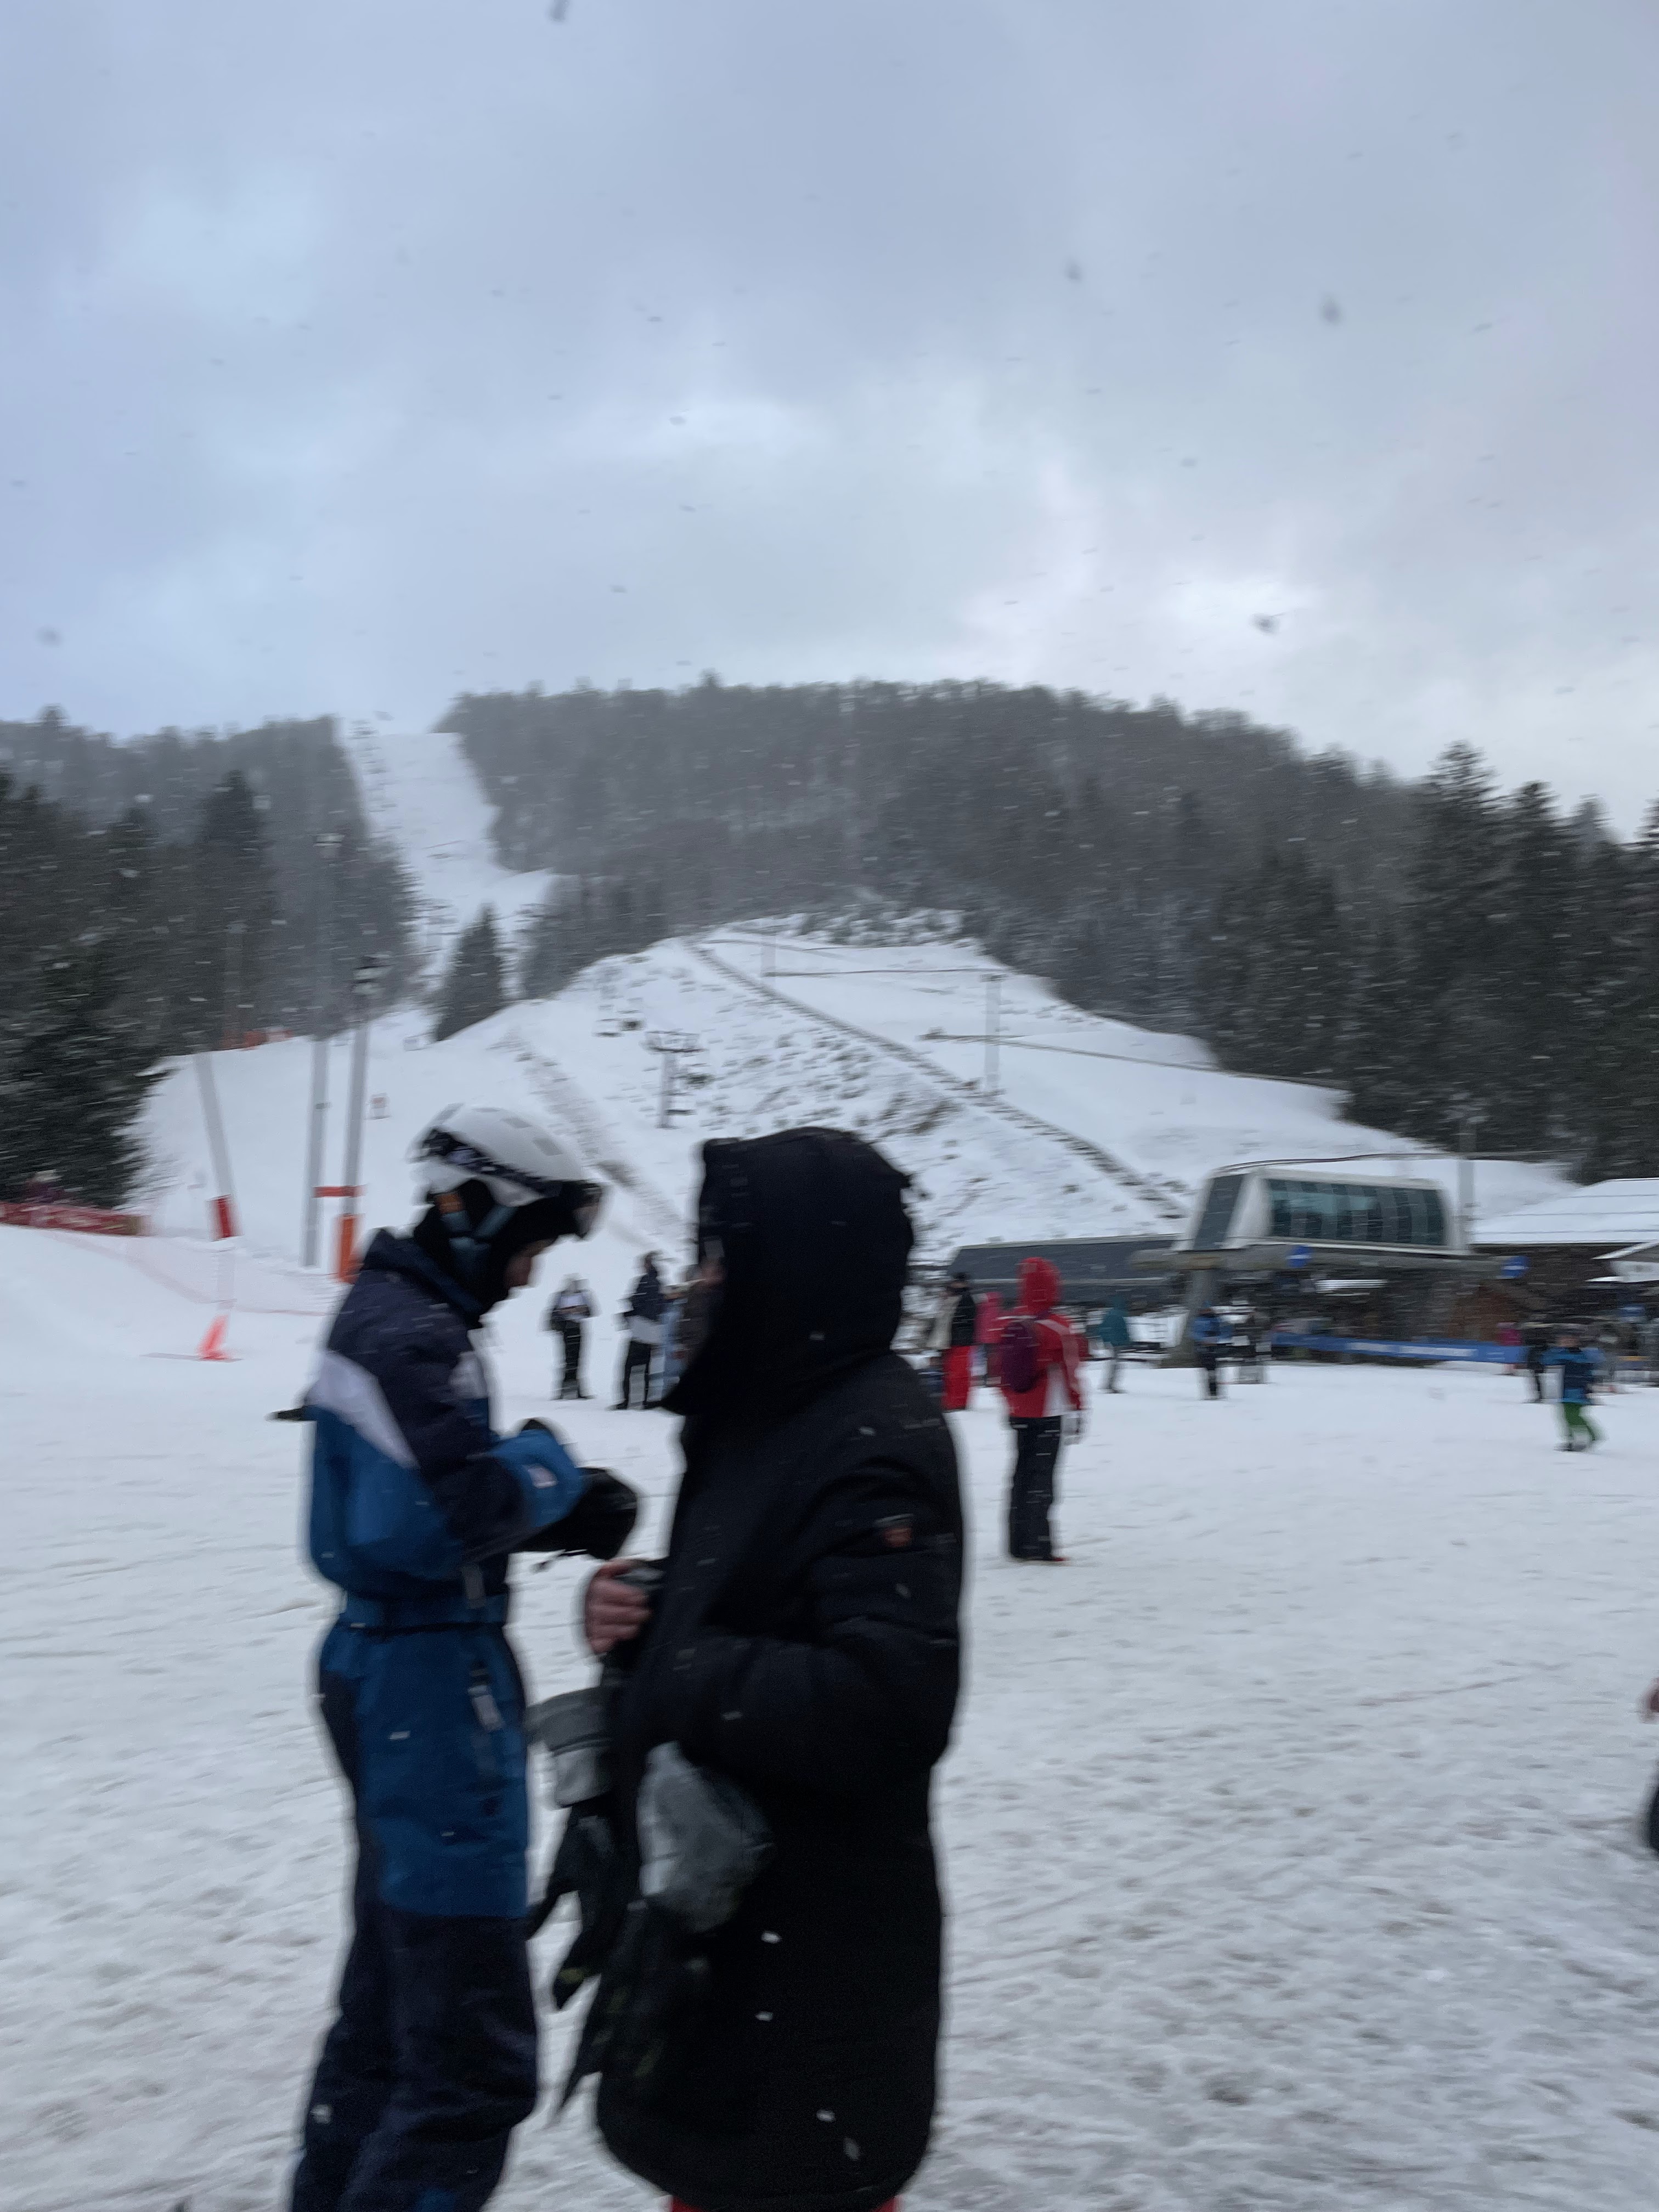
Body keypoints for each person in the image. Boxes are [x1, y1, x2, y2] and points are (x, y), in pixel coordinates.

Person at [565, 1127, 963, 2212]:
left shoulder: (871, 1437)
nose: (702, 1279)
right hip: (735, 1948)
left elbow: (889, 1699)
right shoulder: (764, 1410)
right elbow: (749, 1595)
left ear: (797, 1264)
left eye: (721, 1255)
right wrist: (633, 1611)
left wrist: (679, 1665)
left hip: (809, 1962)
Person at [290, 1104, 641, 2212]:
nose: (531, 1271)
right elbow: (441, 1510)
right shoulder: (410, 1334)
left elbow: (413, 1498)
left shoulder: (403, 1315)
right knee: (467, 2064)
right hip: (428, 1688)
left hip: (399, 1663)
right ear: (475, 1209)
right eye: (529, 1242)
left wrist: (548, 1510)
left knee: (391, 2017)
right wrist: (552, 1473)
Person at [998, 1255, 1085, 1562]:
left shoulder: (1009, 1322)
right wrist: (1079, 1408)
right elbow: (1071, 1372)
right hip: (1049, 1413)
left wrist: (1011, 1402)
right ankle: (1039, 1544)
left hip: (1019, 1411)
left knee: (1020, 1475)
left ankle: (1017, 1543)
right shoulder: (1059, 1327)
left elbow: (1000, 1371)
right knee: (1042, 1479)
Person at [617, 1253, 666, 1408]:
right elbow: (661, 1306)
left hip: (640, 1328)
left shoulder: (644, 1281)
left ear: (647, 1264)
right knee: (646, 1368)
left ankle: (627, 1400)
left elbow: (637, 1303)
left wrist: (630, 1307)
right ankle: (645, 1400)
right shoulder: (660, 1283)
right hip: (653, 1331)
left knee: (628, 1367)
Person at [1548, 1328, 1602, 1451]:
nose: (1566, 1342)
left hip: (1578, 1390)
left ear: (1576, 1341)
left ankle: (1590, 1436)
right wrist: (1556, 1350)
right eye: (1564, 1340)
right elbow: (1547, 1361)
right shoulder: (1560, 1354)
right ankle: (1572, 1439)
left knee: (1574, 1416)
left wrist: (1589, 1387)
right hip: (1564, 1390)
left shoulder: (1582, 1356)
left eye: (1570, 1340)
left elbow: (1589, 1372)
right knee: (1565, 1416)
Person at [548, 1274, 594, 1400]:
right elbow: (555, 1313)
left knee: (577, 1360)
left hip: (577, 1328)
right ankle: (564, 1390)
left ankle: (576, 1390)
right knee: (568, 1360)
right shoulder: (561, 1296)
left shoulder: (582, 1295)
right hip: (567, 1329)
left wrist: (579, 1310)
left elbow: (590, 1311)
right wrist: (566, 1312)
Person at [939, 1269, 978, 1411]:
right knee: (956, 1373)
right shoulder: (960, 1298)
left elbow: (960, 1320)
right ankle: (955, 1401)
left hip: (959, 1341)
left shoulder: (964, 1298)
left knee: (956, 1374)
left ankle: (956, 1402)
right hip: (957, 1341)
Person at [1091, 1298, 1131, 1392]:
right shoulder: (1119, 1316)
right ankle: (1110, 1385)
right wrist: (1127, 1341)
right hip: (1117, 1343)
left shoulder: (1109, 1314)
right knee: (1115, 1364)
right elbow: (1123, 1330)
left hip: (1111, 1342)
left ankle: (1108, 1384)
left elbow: (1102, 1328)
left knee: (1113, 1363)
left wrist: (1105, 1340)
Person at [1191, 1306, 1225, 1398]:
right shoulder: (1199, 1321)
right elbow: (1195, 1333)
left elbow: (1223, 1332)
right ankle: (1210, 1392)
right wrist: (1204, 1340)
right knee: (1208, 1371)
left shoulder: (1216, 1320)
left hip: (1214, 1348)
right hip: (1204, 1349)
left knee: (1213, 1371)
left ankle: (1214, 1392)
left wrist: (1216, 1339)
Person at [974, 1286, 1004, 1386]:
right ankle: (994, 1375)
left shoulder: (982, 1309)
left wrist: (979, 1337)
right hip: (996, 1339)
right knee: (994, 1358)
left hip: (985, 1339)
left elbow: (979, 1324)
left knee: (986, 1358)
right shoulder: (998, 1309)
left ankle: (987, 1376)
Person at [1521, 1316, 1551, 1403]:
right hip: (1537, 1361)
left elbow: (1529, 1347)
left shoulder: (1535, 1339)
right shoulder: (1541, 1339)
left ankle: (1540, 1396)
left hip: (1537, 1361)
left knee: (1537, 1379)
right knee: (1537, 1379)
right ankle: (1540, 1396)